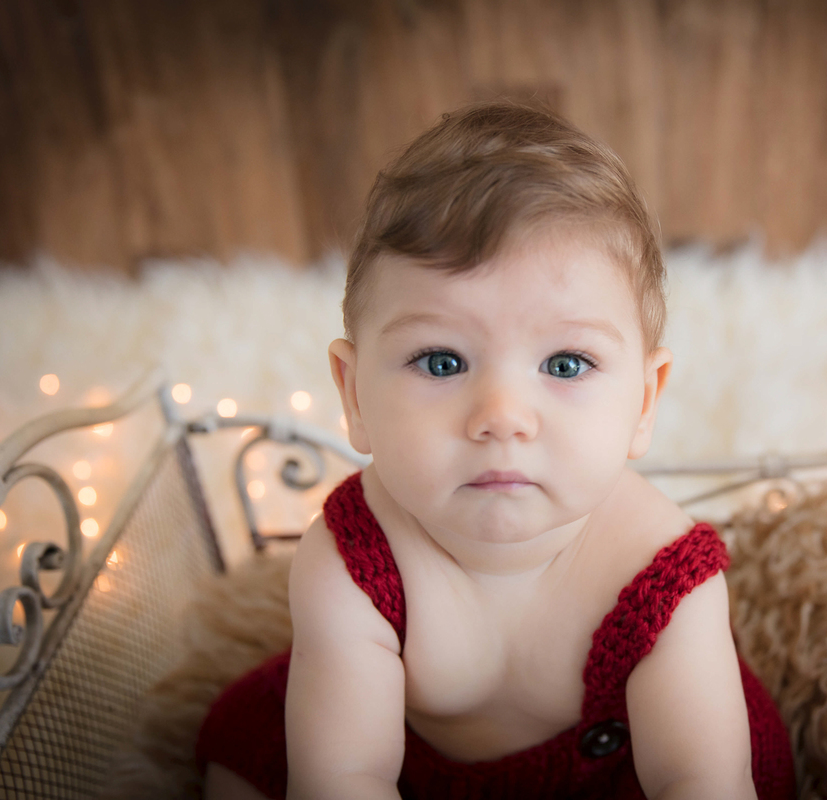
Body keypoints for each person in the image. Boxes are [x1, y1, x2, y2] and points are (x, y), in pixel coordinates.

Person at [197, 100, 794, 800]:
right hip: (416, 768)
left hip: (617, 770)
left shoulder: (663, 574)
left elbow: (698, 781)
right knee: (246, 746)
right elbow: (344, 777)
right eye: (442, 362)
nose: (502, 418)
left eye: (566, 364)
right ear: (354, 394)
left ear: (643, 401)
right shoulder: (353, 559)